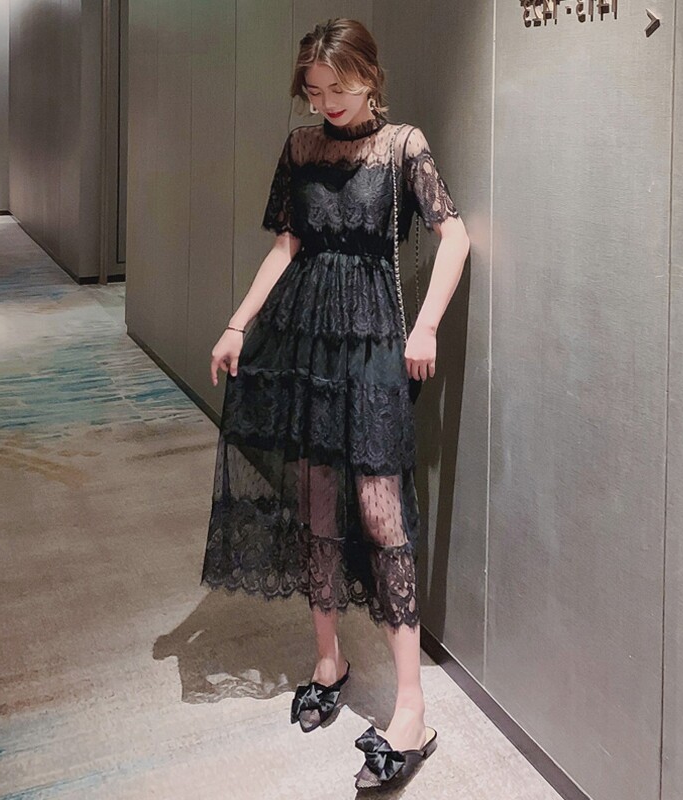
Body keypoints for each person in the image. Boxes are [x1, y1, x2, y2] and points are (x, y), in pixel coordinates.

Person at [202, 17, 470, 790]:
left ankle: (411, 707)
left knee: (381, 512)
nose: (327, 103)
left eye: (339, 88)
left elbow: (455, 237)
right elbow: (286, 245)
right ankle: (329, 660)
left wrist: (426, 325)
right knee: (316, 501)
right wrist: (237, 323)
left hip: (375, 341)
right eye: (315, 91)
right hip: (305, 342)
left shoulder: (404, 146)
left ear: (370, 77)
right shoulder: (301, 147)